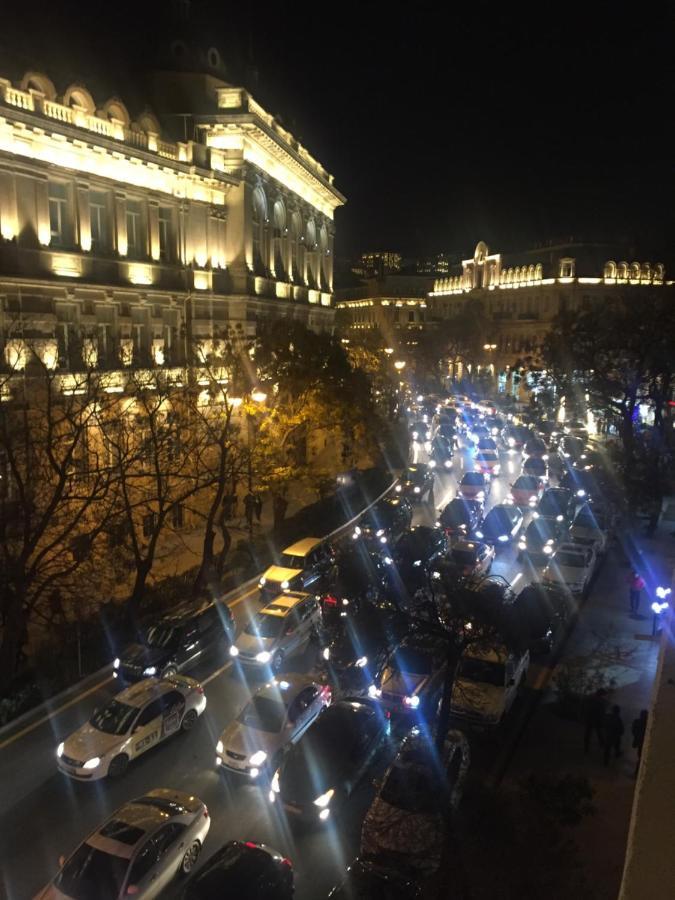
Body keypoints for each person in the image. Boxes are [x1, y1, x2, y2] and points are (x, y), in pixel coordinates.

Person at [584, 688, 608, 754]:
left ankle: (586, 747)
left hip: (592, 719)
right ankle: (601, 745)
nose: (604, 695)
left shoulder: (592, 699)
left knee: (590, 733)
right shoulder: (601, 701)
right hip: (596, 719)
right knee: (598, 733)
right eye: (603, 694)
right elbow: (601, 712)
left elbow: (588, 708)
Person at [631, 709, 648, 776]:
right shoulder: (646, 724)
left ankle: (637, 771)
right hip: (643, 743)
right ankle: (637, 772)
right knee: (640, 757)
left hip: (639, 741)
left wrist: (636, 737)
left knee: (640, 757)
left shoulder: (637, 721)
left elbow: (633, 730)